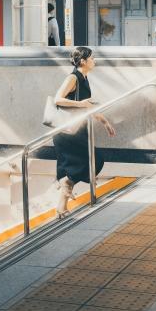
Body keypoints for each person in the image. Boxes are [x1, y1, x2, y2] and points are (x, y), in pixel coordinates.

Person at [52, 46, 116, 218]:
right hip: (68, 131)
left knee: (80, 165)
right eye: (92, 58)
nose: (94, 61)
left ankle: (61, 208)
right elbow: (58, 99)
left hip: (76, 129)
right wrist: (82, 105)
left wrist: (105, 122)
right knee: (94, 160)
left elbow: (89, 105)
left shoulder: (84, 78)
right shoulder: (73, 77)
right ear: (83, 61)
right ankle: (66, 184)